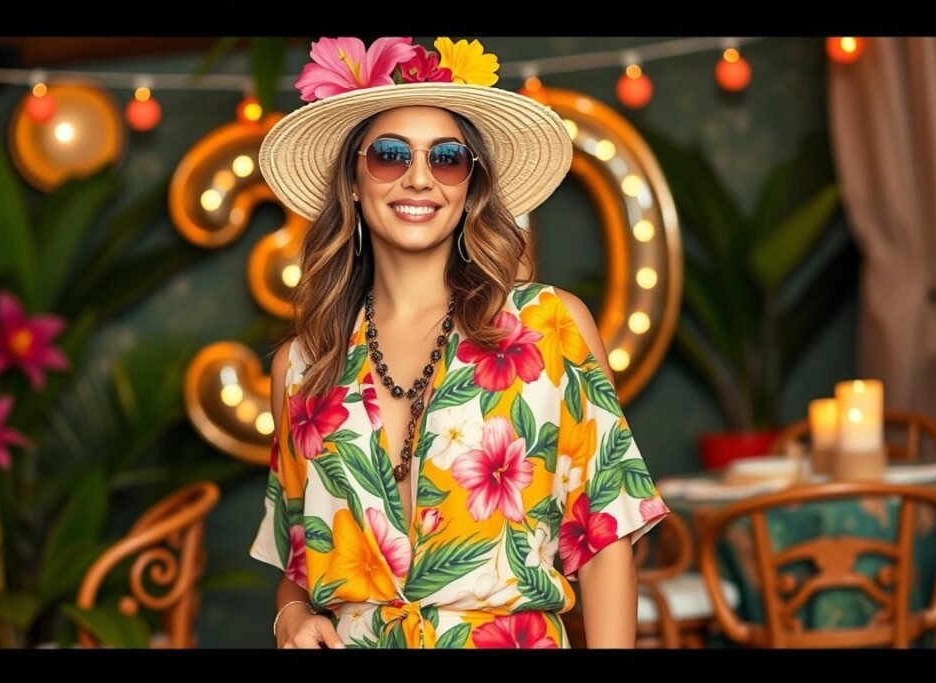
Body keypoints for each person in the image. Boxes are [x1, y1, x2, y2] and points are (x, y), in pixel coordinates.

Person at [249, 35, 670, 649]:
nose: (419, 178)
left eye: (446, 158)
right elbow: (300, 564)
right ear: (354, 183)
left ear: (470, 186)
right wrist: (289, 616)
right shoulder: (302, 365)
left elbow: (604, 538)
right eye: (390, 155)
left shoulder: (548, 326)